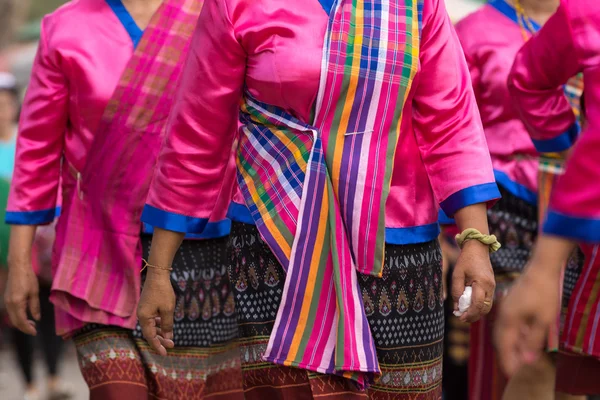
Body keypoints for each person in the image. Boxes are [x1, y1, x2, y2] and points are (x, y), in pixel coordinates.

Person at [137, 0, 501, 397]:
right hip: (275, 243)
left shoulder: (416, 6)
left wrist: (475, 240)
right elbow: (197, 132)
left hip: (395, 250)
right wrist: (158, 271)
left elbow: (451, 120)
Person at [3, 1, 242, 399]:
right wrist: (19, 262)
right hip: (97, 251)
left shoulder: (216, 14)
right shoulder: (65, 28)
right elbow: (37, 153)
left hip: (206, 252)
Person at [454, 1, 584, 399]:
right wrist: (457, 232)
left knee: (574, 354)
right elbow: (451, 131)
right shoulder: (474, 30)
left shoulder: (586, 18)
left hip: (577, 203)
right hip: (504, 208)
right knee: (534, 346)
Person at [497, 0, 600, 396]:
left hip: (571, 212)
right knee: (541, 360)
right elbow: (527, 81)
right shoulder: (477, 27)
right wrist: (574, 152)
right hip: (528, 205)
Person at [0, 72, 71, 400]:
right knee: (16, 314)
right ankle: (28, 384)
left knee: (49, 309)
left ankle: (54, 378)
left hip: (43, 247)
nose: (3, 107)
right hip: (6, 254)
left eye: (7, 101)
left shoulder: (28, 142)